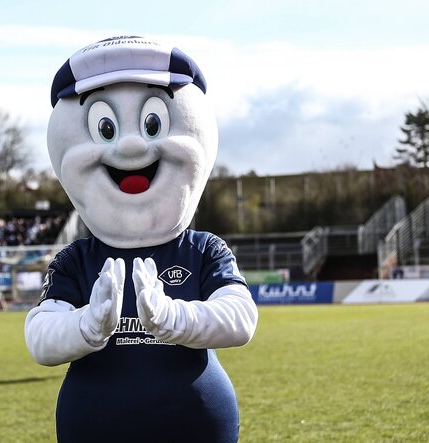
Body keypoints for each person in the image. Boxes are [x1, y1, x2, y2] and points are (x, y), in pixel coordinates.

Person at [24, 36, 258, 443]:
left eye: (152, 124)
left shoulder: (203, 249)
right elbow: (41, 339)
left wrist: (173, 319)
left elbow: (240, 319)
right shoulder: (75, 260)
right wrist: (87, 325)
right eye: (106, 129)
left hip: (196, 425)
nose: (131, 145)